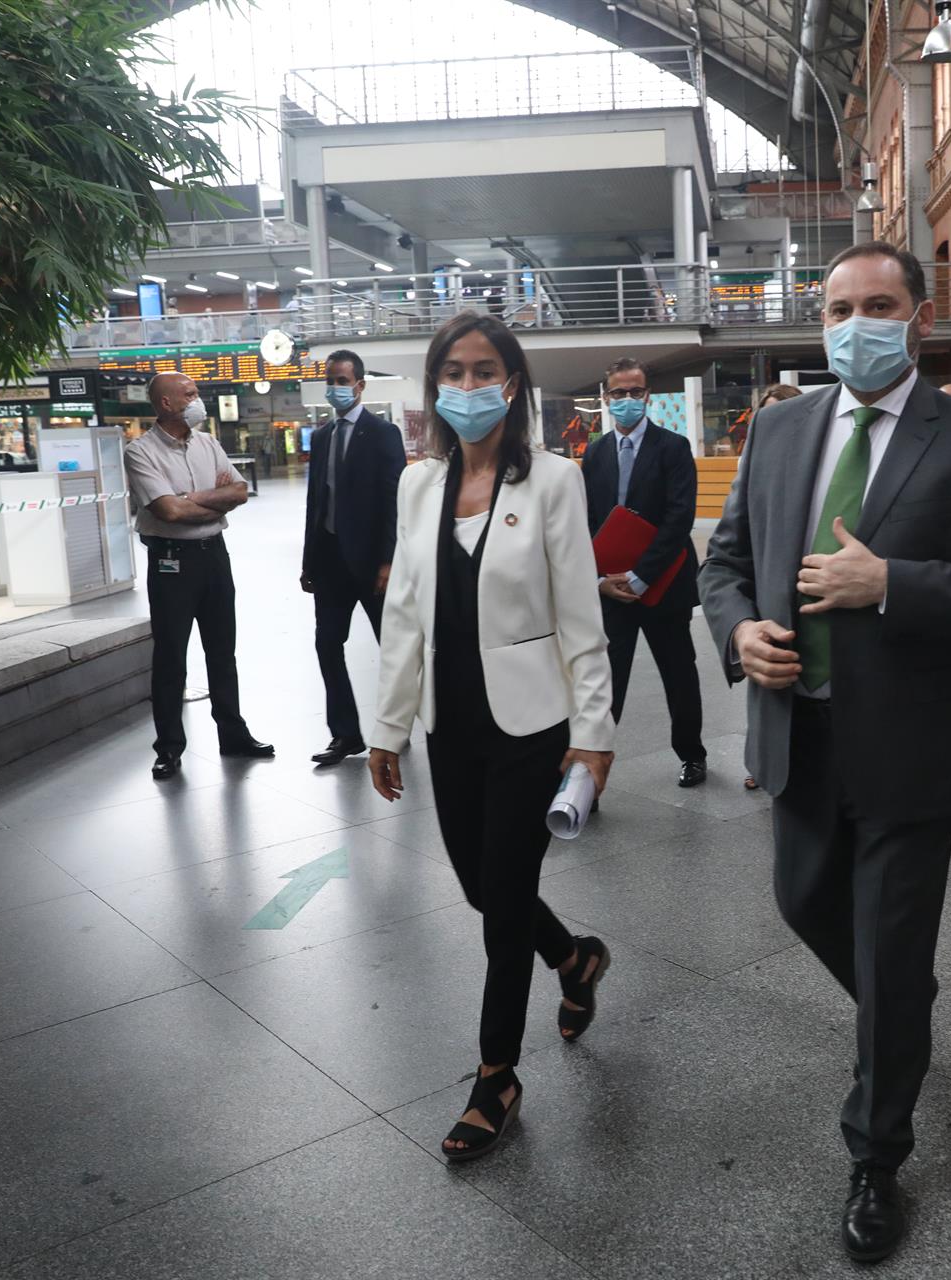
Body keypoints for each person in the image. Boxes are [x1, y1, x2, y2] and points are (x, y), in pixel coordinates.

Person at [699, 241, 951, 1264]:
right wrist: (737, 631)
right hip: (797, 729)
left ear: (919, 316)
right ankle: (905, 1017)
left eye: (879, 304)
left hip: (911, 741)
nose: (858, 323)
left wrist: (890, 582)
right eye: (841, 307)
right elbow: (722, 564)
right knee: (804, 903)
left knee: (890, 958)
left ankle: (876, 1153)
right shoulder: (778, 429)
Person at [366, 312, 616, 1163]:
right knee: (481, 888)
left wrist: (593, 734)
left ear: (513, 383)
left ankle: (496, 1077)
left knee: (501, 907)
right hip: (452, 723)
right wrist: (386, 728)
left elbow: (581, 616)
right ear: (435, 385)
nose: (469, 386)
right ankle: (576, 958)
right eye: (454, 371)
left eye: (485, 371)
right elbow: (403, 615)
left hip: (530, 724)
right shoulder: (419, 485)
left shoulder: (553, 480)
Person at [123, 372, 274, 781]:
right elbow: (168, 513)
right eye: (189, 394)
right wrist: (213, 501)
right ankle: (169, 749)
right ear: (167, 403)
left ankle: (234, 736)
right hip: (171, 564)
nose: (198, 399)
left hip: (214, 558)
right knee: (171, 659)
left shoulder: (207, 443)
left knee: (223, 653)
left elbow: (240, 492)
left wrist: (190, 499)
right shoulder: (141, 452)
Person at [583, 356, 707, 788]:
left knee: (679, 673)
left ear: (648, 396)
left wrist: (640, 577)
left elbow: (679, 520)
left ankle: (692, 755)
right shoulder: (595, 452)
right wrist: (602, 581)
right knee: (605, 683)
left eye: (636, 392)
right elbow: (589, 522)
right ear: (606, 397)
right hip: (612, 590)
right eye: (619, 393)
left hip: (664, 586)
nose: (628, 400)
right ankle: (589, 775)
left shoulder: (673, 448)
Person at [302, 350, 408, 766]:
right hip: (329, 563)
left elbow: (394, 501)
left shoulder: (382, 433)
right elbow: (315, 504)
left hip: (371, 564)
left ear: (360, 385)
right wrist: (309, 563)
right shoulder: (322, 436)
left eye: (343, 381)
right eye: (331, 380)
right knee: (327, 644)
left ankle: (396, 728)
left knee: (394, 648)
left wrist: (388, 561)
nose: (335, 388)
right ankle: (345, 734)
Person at [739, 382, 803, 793]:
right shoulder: (754, 461)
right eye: (765, 412)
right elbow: (730, 552)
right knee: (762, 679)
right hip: (765, 597)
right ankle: (760, 757)